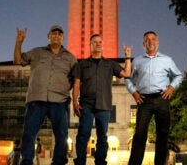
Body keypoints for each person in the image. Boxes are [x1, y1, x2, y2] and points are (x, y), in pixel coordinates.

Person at [13, 25, 77, 165]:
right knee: (29, 133)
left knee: (61, 135)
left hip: (59, 100)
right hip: (37, 100)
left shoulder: (70, 58)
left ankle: (59, 162)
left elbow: (76, 79)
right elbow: (18, 61)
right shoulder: (37, 52)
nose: (56, 35)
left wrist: (70, 95)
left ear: (63, 38)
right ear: (48, 36)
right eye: (53, 33)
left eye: (59, 34)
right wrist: (19, 42)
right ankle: (27, 161)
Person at [72, 34, 132, 165]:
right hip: (86, 105)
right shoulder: (82, 64)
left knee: (102, 137)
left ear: (103, 45)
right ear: (90, 44)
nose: (98, 44)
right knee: (83, 134)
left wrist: (127, 56)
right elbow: (76, 84)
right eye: (95, 42)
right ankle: (80, 161)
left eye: (100, 42)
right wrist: (75, 102)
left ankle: (100, 161)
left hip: (104, 105)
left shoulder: (110, 64)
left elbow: (127, 74)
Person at [125, 31, 183, 165]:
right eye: (147, 40)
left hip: (162, 99)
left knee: (162, 134)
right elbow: (128, 78)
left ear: (157, 42)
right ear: (143, 43)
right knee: (139, 134)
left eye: (153, 39)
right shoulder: (137, 61)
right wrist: (134, 92)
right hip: (144, 100)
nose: (150, 42)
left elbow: (178, 75)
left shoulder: (166, 60)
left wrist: (171, 87)